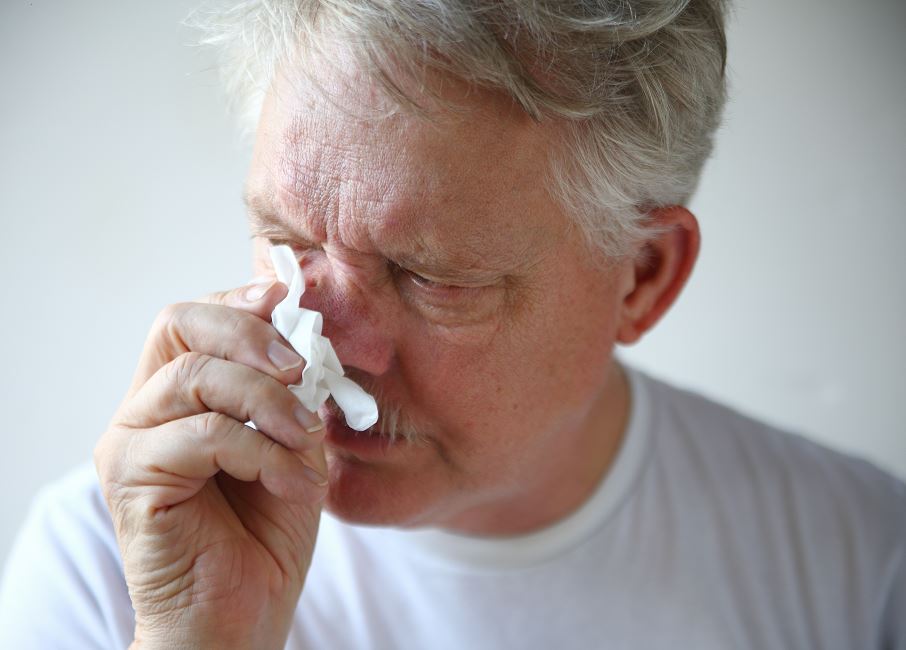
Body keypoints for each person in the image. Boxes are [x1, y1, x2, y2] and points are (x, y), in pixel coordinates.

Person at [1, 0, 903, 648]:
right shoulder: (115, 566)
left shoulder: (860, 572)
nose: (321, 350)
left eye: (431, 277)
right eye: (285, 243)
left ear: (642, 275)